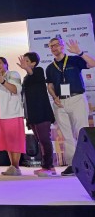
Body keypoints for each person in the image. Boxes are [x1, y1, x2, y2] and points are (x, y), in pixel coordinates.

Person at [46, 38, 95, 176]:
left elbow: (92, 63)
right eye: (51, 47)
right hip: (60, 103)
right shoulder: (50, 68)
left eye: (56, 45)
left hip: (77, 99)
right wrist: (55, 97)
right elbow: (50, 86)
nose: (54, 48)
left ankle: (87, 164)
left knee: (81, 132)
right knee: (67, 135)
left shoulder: (74, 60)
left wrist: (79, 52)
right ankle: (73, 165)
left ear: (62, 46)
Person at [17, 52, 56, 177]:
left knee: (45, 140)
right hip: (32, 114)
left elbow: (33, 74)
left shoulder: (38, 71)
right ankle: (49, 166)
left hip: (42, 113)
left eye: (27, 61)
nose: (25, 63)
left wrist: (27, 68)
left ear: (33, 63)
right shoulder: (26, 78)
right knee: (40, 140)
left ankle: (48, 166)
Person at [0, 57, 25, 176]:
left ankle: (16, 166)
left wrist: (3, 82)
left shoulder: (13, 74)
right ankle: (12, 166)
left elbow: (16, 90)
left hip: (12, 112)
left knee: (14, 139)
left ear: (6, 64)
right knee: (8, 140)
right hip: (0, 113)